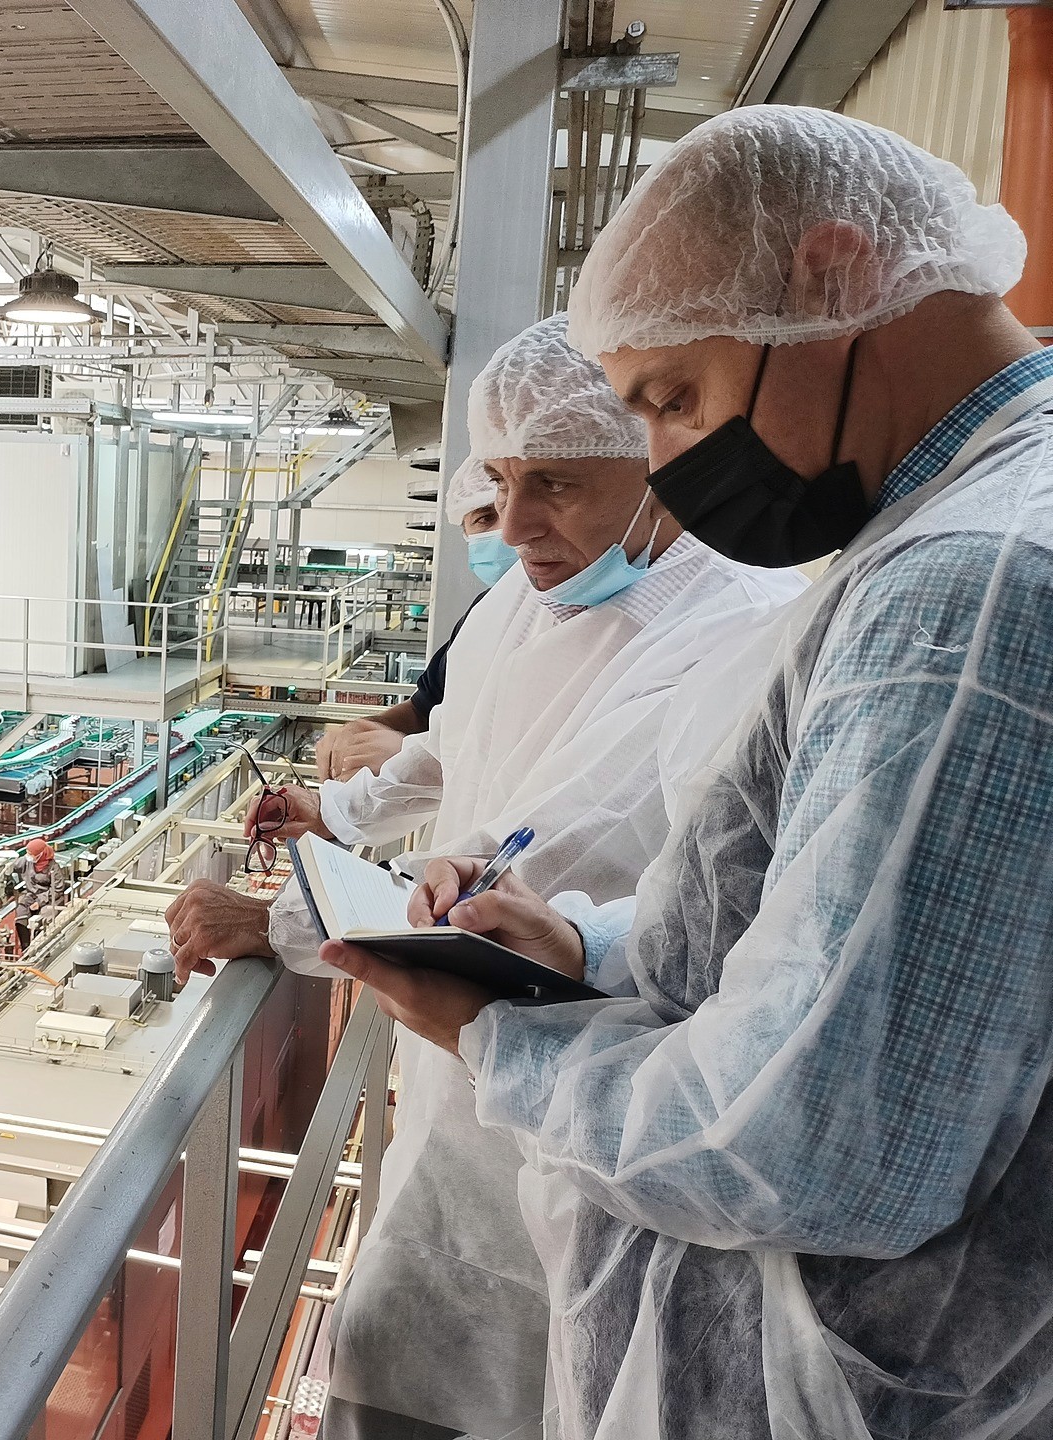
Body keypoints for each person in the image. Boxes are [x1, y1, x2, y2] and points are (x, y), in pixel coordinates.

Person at [322, 106, 1053, 1439]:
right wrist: (591, 947)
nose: (666, 460)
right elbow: (836, 931)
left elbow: (808, 1146)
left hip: (850, 1379)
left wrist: (498, 1041)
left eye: (675, 398)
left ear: (833, 279)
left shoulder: (972, 587)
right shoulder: (952, 526)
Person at [166, 314, 805, 1440]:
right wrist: (341, 811)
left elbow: (526, 872)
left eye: (555, 482)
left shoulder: (729, 631)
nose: (514, 525)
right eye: (501, 480)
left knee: (526, 1370)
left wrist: (280, 925)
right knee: (420, 1338)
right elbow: (453, 750)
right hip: (467, 1085)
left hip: (590, 1103)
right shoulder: (537, 595)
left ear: (660, 452)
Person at [315, 464, 513, 783]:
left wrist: (417, 757)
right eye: (485, 518)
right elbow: (424, 709)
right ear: (465, 532)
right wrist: (366, 729)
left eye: (507, 507)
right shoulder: (482, 615)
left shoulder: (569, 622)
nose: (510, 530)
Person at [9, 837, 68, 951]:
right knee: (21, 911)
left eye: (31, 854)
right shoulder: (27, 862)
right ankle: (25, 946)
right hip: (31, 894)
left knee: (46, 915)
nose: (28, 856)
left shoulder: (53, 868)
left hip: (49, 898)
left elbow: (57, 889)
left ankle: (39, 944)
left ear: (40, 854)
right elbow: (10, 866)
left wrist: (40, 902)